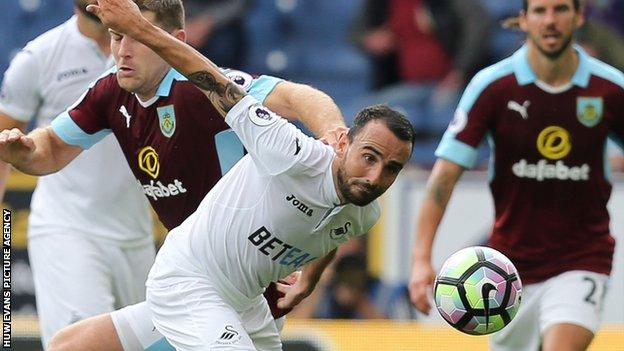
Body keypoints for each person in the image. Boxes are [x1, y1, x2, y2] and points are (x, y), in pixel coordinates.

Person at [0, 0, 347, 350]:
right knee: (71, 344)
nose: (122, 51)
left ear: (176, 41)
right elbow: (54, 147)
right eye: (117, 37)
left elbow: (298, 97)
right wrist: (25, 150)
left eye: (137, 37)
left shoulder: (205, 89)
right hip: (196, 283)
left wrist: (335, 136)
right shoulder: (110, 89)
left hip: (236, 289)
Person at [82, 1, 414, 350]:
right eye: (369, 157)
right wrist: (140, 30)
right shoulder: (291, 152)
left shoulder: (366, 211)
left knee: (71, 344)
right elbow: (211, 81)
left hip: (247, 303)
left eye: (392, 168)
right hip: (189, 280)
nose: (376, 176)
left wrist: (310, 280)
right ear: (344, 143)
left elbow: (334, 231)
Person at [408, 0, 624, 350]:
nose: (550, 20)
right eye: (540, 11)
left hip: (583, 258)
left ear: (579, 15)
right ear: (523, 19)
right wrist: (420, 260)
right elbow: (443, 178)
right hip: (509, 271)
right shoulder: (493, 87)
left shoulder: (609, 89)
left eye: (560, 9)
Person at [0, 1, 154, 347]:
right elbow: (2, 145)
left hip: (137, 236)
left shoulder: (151, 51)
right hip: (65, 229)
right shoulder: (38, 56)